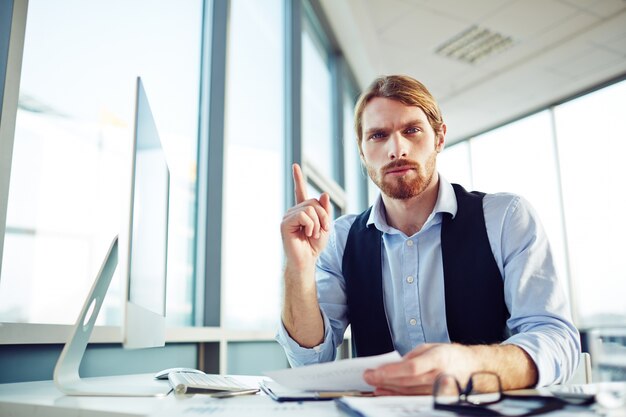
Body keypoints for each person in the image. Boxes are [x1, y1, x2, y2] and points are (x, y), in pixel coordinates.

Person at [277, 74, 580, 395]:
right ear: (362, 152)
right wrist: (300, 270)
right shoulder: (341, 238)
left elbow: (554, 338)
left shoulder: (505, 217)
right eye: (378, 135)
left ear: (439, 137)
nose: (397, 149)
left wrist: (469, 365)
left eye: (412, 130)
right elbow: (309, 361)